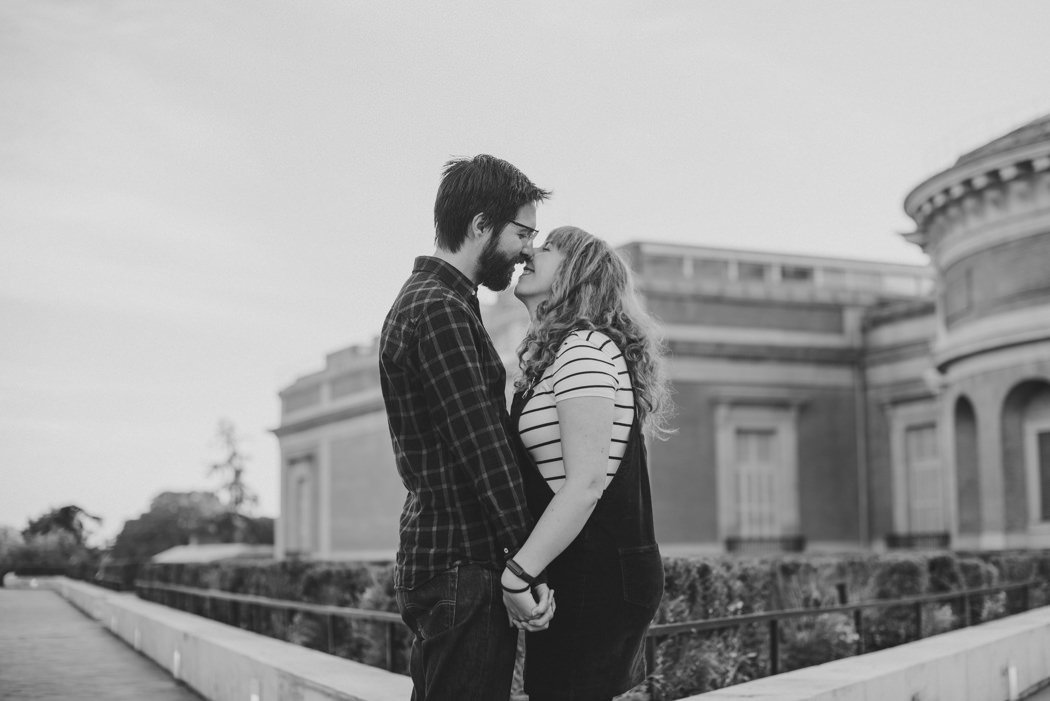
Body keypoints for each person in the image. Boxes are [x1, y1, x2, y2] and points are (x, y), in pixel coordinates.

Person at [379, 154, 555, 701]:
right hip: (463, 563)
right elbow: (485, 450)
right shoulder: (441, 310)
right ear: (481, 224)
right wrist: (524, 567)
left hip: (445, 561)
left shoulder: (436, 303)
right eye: (523, 232)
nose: (529, 248)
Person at [501, 226, 672, 701]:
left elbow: (585, 484)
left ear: (579, 273)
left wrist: (517, 574)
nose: (531, 251)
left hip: (595, 576)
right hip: (579, 570)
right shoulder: (562, 355)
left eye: (549, 247)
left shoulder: (585, 351)